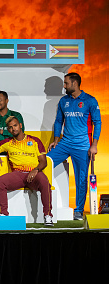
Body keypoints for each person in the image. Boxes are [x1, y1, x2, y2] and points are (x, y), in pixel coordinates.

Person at [47, 72, 101, 220]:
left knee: (81, 179)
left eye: (66, 83)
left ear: (74, 84)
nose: (64, 86)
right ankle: (45, 205)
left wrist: (94, 145)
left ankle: (78, 210)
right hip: (64, 143)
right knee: (45, 163)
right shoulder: (64, 101)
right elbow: (58, 121)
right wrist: (56, 140)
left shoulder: (90, 100)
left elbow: (98, 122)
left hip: (83, 146)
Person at [0, 116, 53, 226]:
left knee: (45, 182)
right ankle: (4, 215)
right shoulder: (7, 142)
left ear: (20, 125)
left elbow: (43, 162)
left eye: (15, 125)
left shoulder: (35, 141)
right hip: (18, 174)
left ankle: (48, 215)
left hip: (34, 174)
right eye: (10, 127)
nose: (13, 129)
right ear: (8, 130)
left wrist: (35, 170)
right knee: (0, 182)